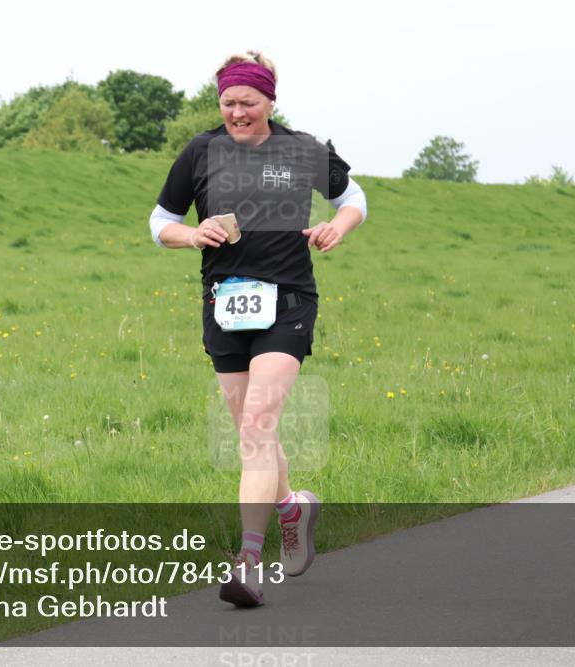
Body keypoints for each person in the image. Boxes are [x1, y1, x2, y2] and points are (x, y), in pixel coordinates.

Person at [148, 51, 367, 607]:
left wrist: (336, 226)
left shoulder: (301, 149)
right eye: (228, 102)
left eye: (248, 102)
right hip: (225, 305)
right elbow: (160, 223)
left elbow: (352, 197)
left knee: (256, 426)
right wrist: (193, 237)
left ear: (271, 101)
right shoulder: (201, 151)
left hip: (289, 300)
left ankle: (247, 562)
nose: (237, 112)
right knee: (255, 431)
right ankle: (292, 505)